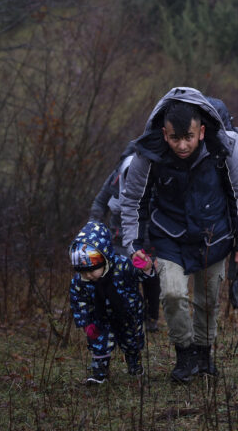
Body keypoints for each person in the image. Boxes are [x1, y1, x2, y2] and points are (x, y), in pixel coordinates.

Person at [119, 88, 238, 382]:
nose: (182, 145)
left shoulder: (226, 146)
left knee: (208, 300)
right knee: (172, 294)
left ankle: (203, 354)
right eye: (175, 138)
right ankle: (185, 354)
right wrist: (133, 245)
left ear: (201, 131)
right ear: (164, 134)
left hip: (214, 234)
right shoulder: (147, 152)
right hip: (168, 235)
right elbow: (133, 201)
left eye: (189, 137)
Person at [69, 220, 155, 385]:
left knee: (132, 341)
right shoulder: (80, 282)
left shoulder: (122, 265)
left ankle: (134, 364)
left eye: (91, 271)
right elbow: (78, 302)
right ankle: (99, 372)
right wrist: (86, 322)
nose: (87, 276)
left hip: (128, 314)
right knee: (99, 341)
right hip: (99, 317)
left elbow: (140, 276)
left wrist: (145, 268)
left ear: (104, 257)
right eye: (82, 272)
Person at [90, 142, 162, 333]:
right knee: (122, 278)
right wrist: (93, 228)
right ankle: (128, 317)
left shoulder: (156, 177)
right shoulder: (116, 176)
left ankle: (151, 317)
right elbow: (100, 202)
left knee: (150, 278)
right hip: (118, 236)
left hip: (148, 237)